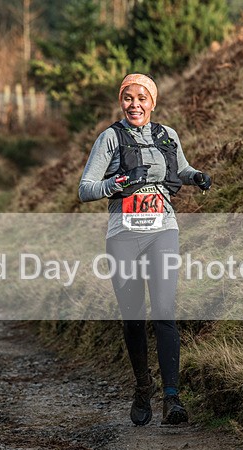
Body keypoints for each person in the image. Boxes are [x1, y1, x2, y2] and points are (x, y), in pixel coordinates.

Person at [78, 73, 212, 426]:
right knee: (134, 317)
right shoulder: (110, 138)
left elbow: (179, 169)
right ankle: (142, 386)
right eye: (127, 97)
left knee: (165, 311)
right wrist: (115, 183)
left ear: (153, 102)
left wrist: (196, 176)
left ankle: (172, 398)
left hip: (163, 230)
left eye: (141, 98)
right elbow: (85, 188)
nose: (134, 104)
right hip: (123, 235)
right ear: (120, 101)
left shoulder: (168, 135)